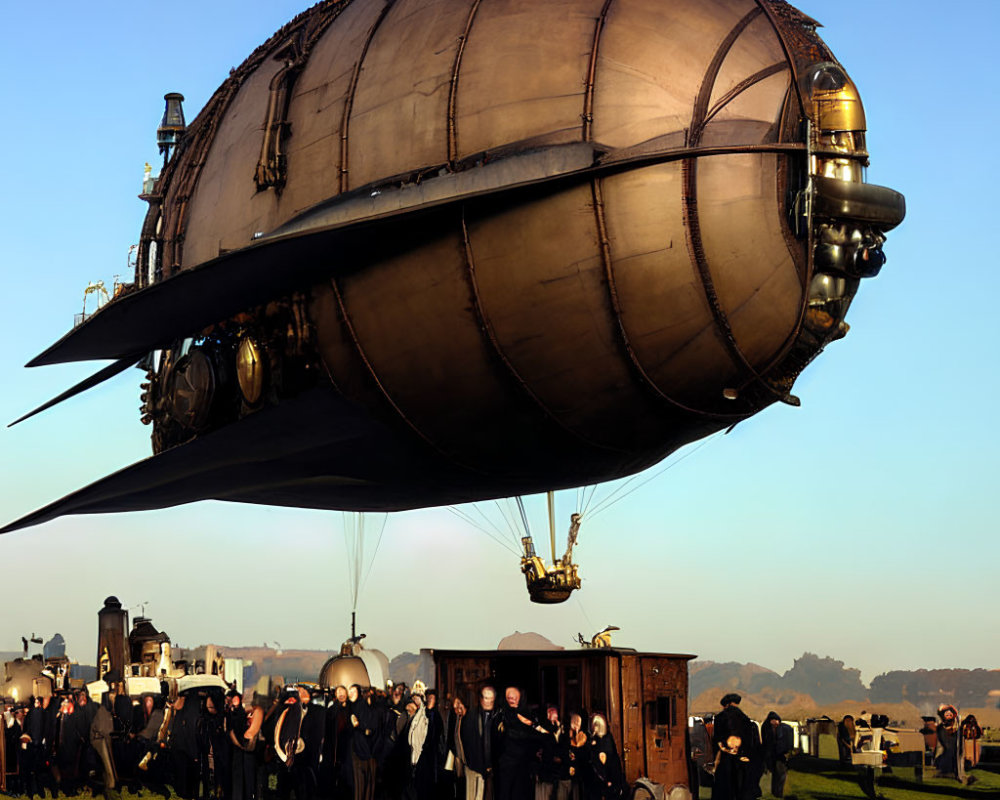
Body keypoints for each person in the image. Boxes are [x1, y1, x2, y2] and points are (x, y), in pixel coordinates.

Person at [710, 694, 760, 800]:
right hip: (742, 759)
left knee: (725, 788)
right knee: (741, 787)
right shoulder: (746, 719)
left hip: (725, 758)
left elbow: (716, 740)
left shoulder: (720, 717)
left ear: (726, 704)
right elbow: (751, 742)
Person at [460, 686, 499, 800]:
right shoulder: (471, 715)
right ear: (481, 699)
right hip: (474, 766)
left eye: (491, 699)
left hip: (493, 768)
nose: (488, 702)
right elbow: (467, 741)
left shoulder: (498, 715)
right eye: (486, 698)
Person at [585, 714, 621, 800]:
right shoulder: (596, 739)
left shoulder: (606, 740)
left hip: (606, 778)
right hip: (601, 779)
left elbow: (605, 760)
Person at [760, 711, 792, 798]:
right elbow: (766, 742)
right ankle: (776, 792)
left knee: (780, 774)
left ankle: (778, 792)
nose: (775, 722)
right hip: (772, 755)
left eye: (777, 720)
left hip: (780, 755)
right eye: (773, 720)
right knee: (776, 774)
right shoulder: (767, 728)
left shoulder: (783, 729)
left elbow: (786, 742)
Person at [934, 704, 959, 778]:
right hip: (945, 759)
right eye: (945, 712)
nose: (948, 713)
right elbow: (946, 746)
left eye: (950, 711)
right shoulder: (940, 728)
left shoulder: (958, 728)